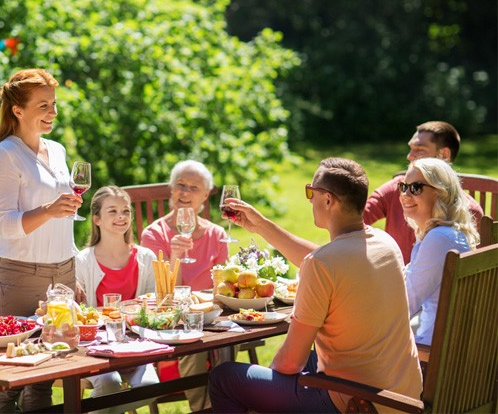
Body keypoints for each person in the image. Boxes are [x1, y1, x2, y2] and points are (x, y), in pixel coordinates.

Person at [209, 158, 422, 413]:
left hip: (358, 403)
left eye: (311, 192)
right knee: (306, 363)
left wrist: (276, 383)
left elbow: (289, 363)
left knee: (224, 378)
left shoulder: (323, 264)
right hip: (402, 396)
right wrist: (261, 225)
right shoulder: (384, 243)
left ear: (328, 200)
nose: (309, 199)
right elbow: (325, 259)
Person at [0, 68, 82, 412]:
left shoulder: (56, 150)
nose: (52, 113)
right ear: (18, 110)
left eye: (54, 104)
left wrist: (73, 269)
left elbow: (62, 217)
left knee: (45, 376)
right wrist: (50, 209)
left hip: (63, 274)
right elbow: (5, 225)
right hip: (23, 276)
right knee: (7, 378)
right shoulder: (5, 156)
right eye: (43, 105)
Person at [140, 160, 228, 412]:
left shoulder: (217, 234)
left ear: (205, 195)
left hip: (211, 315)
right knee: (192, 341)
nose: (185, 193)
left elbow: (222, 287)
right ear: (171, 189)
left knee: (232, 336)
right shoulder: (154, 234)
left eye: (194, 187)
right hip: (173, 318)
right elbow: (163, 295)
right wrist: (175, 256)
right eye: (180, 185)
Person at [76, 186, 159, 414]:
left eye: (125, 211)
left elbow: (154, 306)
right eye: (112, 211)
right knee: (109, 383)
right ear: (96, 219)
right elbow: (79, 314)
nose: (121, 217)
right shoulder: (82, 261)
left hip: (137, 344)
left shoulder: (145, 257)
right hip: (97, 347)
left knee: (150, 387)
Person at [364, 121, 483, 263]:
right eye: (411, 149)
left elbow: (475, 267)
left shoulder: (469, 211)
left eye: (419, 150)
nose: (410, 156)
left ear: (444, 155)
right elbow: (358, 216)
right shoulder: (397, 188)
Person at [401, 158, 479, 345]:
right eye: (403, 187)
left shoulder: (439, 239)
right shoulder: (449, 233)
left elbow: (403, 305)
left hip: (432, 356)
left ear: (441, 193)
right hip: (448, 349)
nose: (405, 194)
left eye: (416, 188)